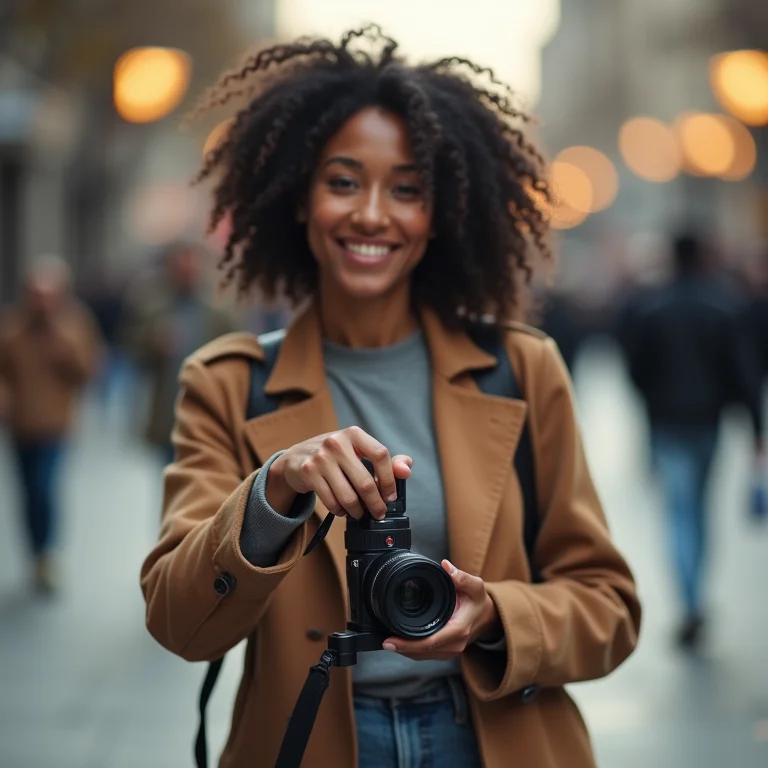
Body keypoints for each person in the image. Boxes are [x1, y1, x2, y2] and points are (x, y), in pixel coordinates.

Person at [141, 27, 641, 768]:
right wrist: (274, 489)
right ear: (299, 199)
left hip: (495, 740)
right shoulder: (226, 382)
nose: (373, 214)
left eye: (406, 189)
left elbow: (609, 607)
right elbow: (182, 624)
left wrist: (495, 616)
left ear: (437, 215)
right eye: (343, 181)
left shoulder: (524, 369)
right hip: (306, 737)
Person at [618, 232, 763, 650]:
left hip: (666, 423)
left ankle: (689, 600)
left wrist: (651, 401)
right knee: (699, 510)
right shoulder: (723, 306)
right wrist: (755, 429)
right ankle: (695, 597)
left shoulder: (651, 307)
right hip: (707, 422)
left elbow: (634, 366)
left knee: (679, 512)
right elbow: (744, 371)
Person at [0, 255, 102, 593]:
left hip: (56, 425)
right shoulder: (12, 327)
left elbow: (90, 370)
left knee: (45, 488)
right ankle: (35, 551)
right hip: (20, 424)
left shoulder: (73, 325)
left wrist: (65, 350)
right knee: (27, 492)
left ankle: (47, 555)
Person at [121, 240, 237, 464]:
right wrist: (154, 344)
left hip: (208, 412)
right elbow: (132, 351)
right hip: (168, 412)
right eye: (181, 266)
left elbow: (236, 352)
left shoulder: (218, 311)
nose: (187, 271)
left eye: (191, 265)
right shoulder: (153, 306)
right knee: (169, 480)